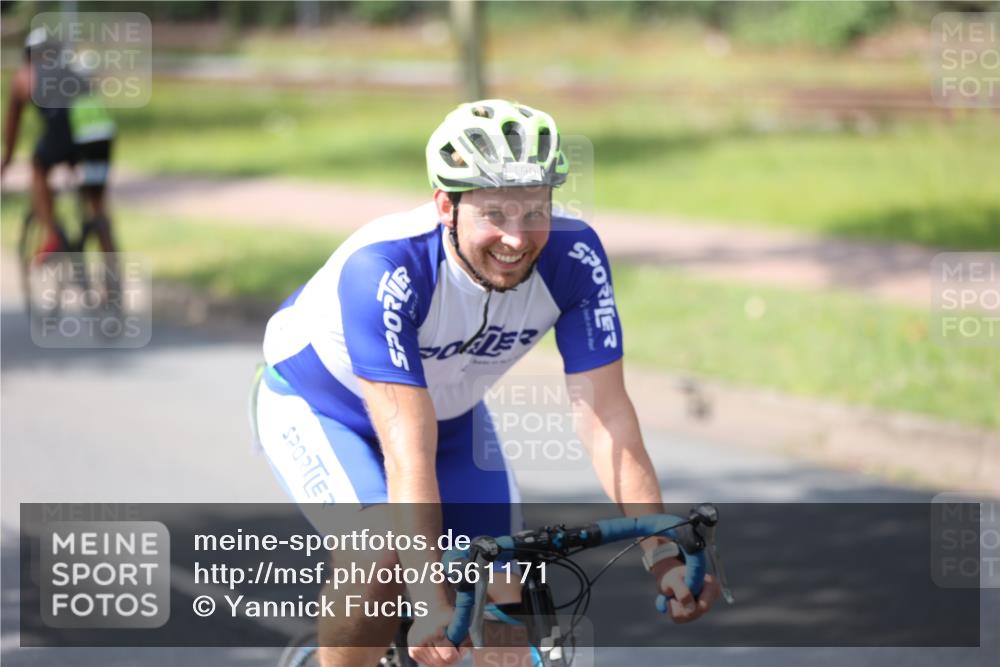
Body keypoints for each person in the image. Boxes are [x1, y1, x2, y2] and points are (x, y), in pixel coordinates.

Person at [254, 99, 720, 667]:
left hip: (449, 419)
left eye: (533, 212)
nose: (517, 239)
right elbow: (406, 449)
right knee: (378, 553)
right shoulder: (384, 267)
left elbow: (607, 418)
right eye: (494, 213)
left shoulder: (575, 258)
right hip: (322, 406)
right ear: (445, 205)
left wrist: (663, 552)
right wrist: (427, 597)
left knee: (508, 587)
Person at [1, 27, 117, 260]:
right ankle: (113, 274)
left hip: (66, 131)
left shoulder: (26, 74)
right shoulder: (72, 70)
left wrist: (8, 160)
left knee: (37, 166)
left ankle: (53, 236)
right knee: (97, 205)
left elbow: (13, 126)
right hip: (100, 133)